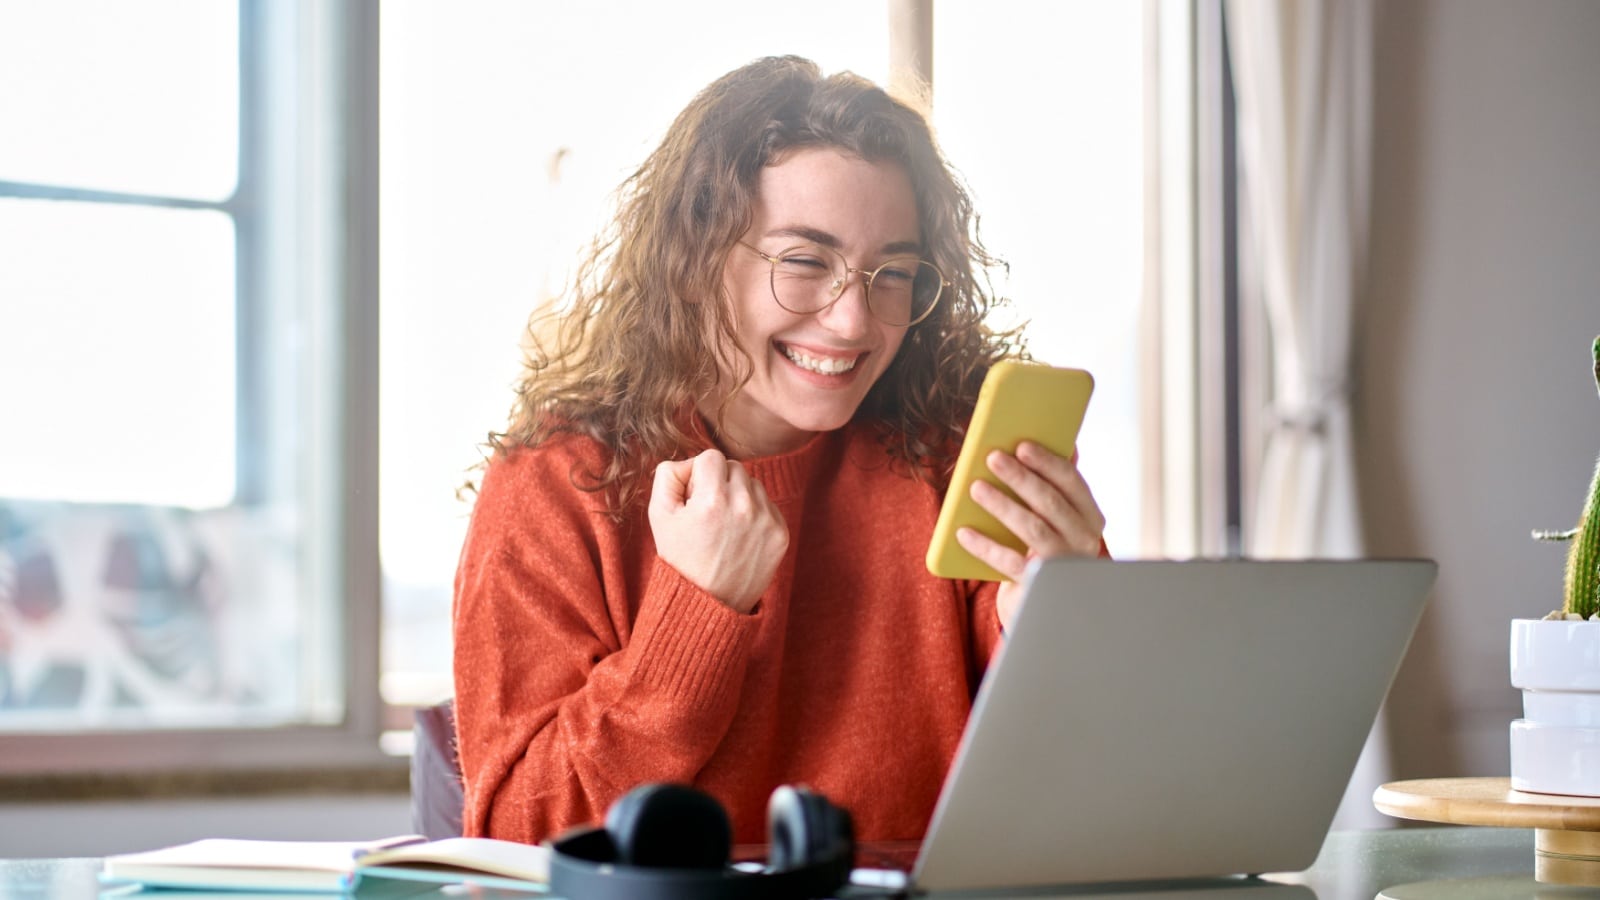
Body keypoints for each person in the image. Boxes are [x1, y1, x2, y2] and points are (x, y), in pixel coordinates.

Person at [452, 55, 1107, 848]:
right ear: (693, 260)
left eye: (893, 272)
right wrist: (694, 615)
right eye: (804, 263)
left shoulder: (950, 463)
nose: (853, 323)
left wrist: (1062, 622)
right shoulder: (554, 489)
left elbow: (1079, 804)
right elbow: (515, 839)